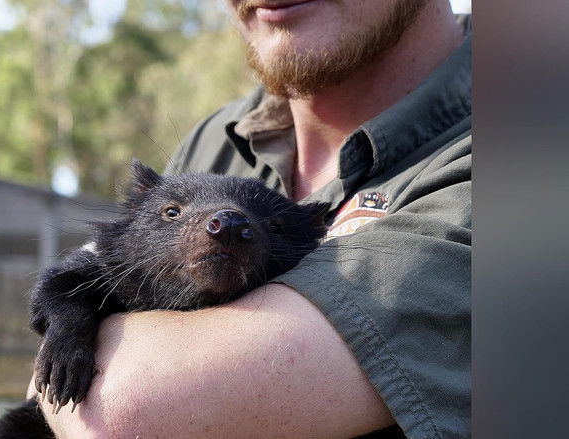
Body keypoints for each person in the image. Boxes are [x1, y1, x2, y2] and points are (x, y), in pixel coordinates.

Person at [29, 1, 471, 437]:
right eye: (171, 213)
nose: (221, 223)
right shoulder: (218, 134)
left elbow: (129, 408)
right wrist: (72, 324)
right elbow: (47, 370)